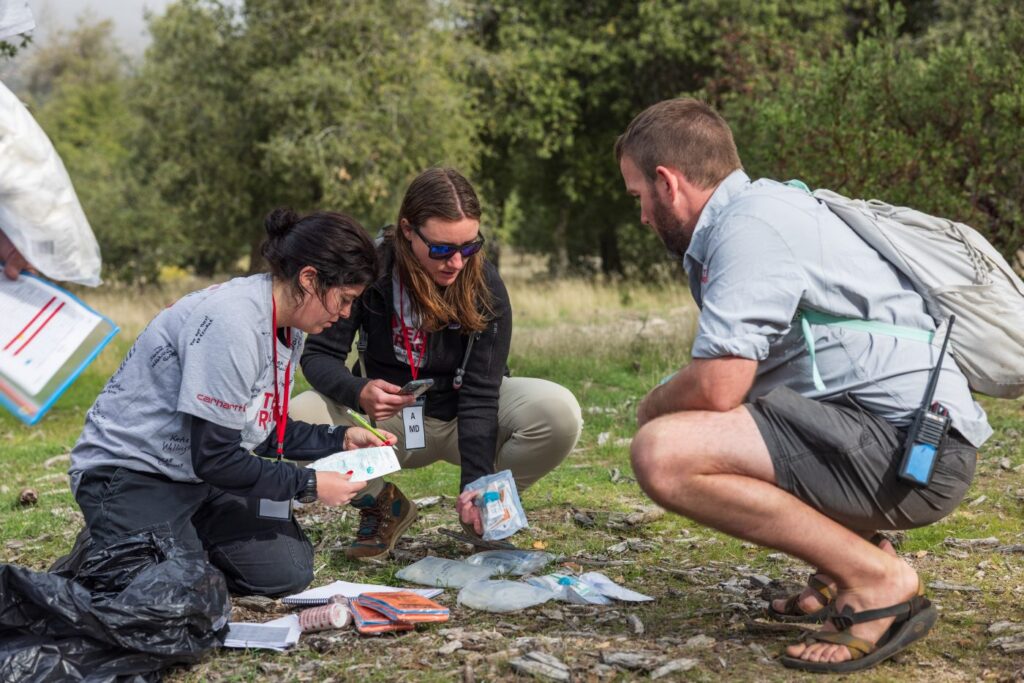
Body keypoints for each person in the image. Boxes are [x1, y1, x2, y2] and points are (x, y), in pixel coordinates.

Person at [616, 98, 990, 672]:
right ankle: (853, 558)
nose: (641, 216)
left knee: (663, 451)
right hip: (908, 440)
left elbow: (720, 384)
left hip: (913, 456)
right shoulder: (773, 206)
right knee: (713, 425)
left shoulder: (749, 228)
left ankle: (876, 580)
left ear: (667, 183)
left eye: (638, 196)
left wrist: (651, 405)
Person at [67, 209, 395, 597]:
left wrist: (340, 438)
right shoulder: (232, 323)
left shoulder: (291, 323)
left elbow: (259, 430)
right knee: (174, 597)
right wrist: (308, 484)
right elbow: (216, 457)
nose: (344, 314)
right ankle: (115, 536)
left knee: (287, 573)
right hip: (134, 473)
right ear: (309, 279)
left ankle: (167, 542)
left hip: (198, 476)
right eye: (344, 299)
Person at [291, 167, 582, 560]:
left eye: (470, 246)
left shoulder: (485, 284)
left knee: (558, 410)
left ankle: (483, 511)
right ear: (408, 230)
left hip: (466, 416)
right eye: (442, 249)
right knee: (295, 418)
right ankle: (384, 505)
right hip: (389, 424)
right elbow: (319, 355)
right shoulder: (370, 270)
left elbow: (481, 391)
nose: (457, 262)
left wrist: (474, 484)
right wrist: (358, 391)